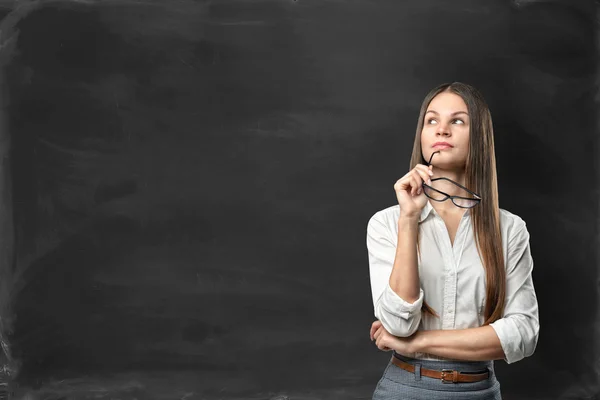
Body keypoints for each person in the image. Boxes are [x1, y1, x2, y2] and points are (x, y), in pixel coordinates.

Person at [366, 82, 539, 400]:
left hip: (481, 391)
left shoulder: (510, 229)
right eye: (431, 120)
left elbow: (523, 334)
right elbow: (398, 324)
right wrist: (409, 220)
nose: (441, 129)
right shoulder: (387, 223)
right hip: (405, 389)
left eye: (457, 120)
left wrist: (418, 344)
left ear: (479, 137)